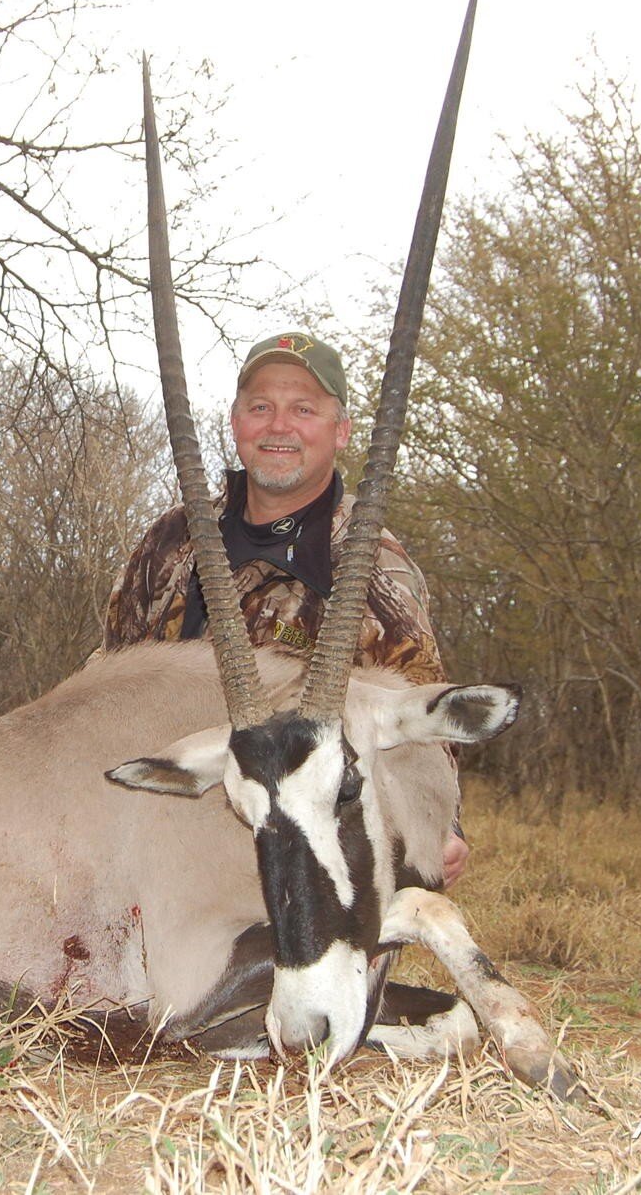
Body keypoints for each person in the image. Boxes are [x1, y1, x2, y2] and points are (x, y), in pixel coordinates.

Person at [103, 330, 470, 885]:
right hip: (154, 821)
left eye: (303, 408)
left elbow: (420, 712)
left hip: (293, 851)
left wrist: (447, 826)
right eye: (261, 407)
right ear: (236, 422)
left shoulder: (374, 564)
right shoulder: (173, 538)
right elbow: (112, 668)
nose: (279, 426)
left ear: (340, 430)